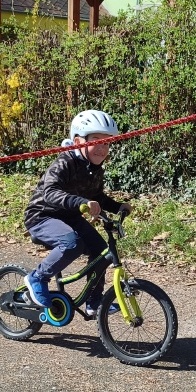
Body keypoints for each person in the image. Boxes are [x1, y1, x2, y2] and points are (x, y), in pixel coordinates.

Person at [22, 109, 131, 318]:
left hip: (69, 217)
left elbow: (96, 196)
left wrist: (117, 207)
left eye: (107, 143)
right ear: (78, 141)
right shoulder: (64, 163)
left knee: (101, 251)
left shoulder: (94, 169)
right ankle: (37, 277)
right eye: (97, 141)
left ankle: (94, 302)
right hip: (42, 216)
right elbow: (50, 193)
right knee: (71, 243)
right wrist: (82, 202)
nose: (102, 148)